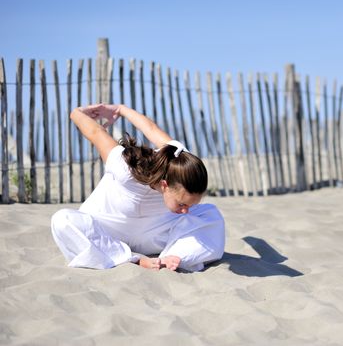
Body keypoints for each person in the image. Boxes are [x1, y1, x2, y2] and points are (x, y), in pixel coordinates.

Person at [50, 104, 225, 272]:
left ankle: (171, 257)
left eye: (190, 205)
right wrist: (77, 112)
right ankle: (132, 258)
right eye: (182, 204)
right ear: (164, 186)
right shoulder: (124, 167)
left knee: (211, 215)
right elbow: (95, 132)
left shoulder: (179, 160)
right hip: (109, 232)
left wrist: (121, 109)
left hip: (153, 235)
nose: (185, 210)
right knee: (62, 220)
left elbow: (151, 128)